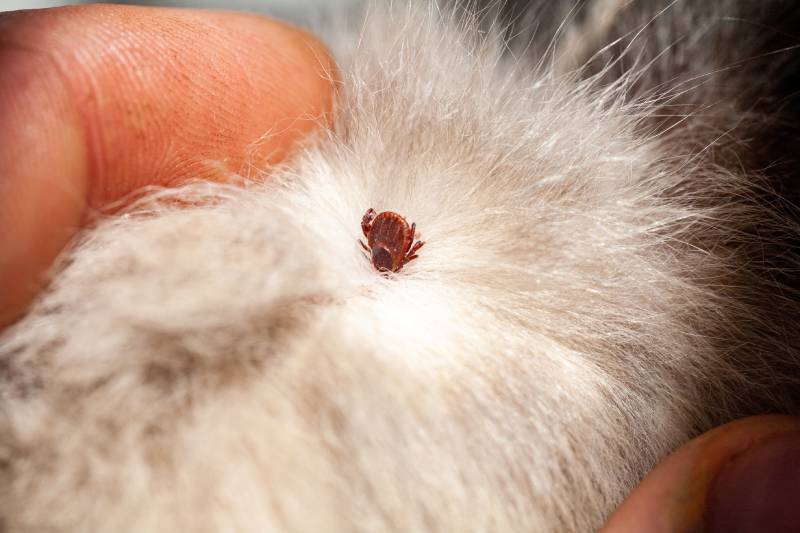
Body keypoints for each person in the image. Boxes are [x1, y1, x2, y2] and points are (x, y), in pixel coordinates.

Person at [0, 5, 796, 532]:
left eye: (388, 246)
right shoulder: (393, 240)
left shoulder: (382, 238)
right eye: (385, 246)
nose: (386, 251)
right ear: (387, 243)